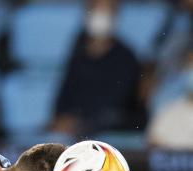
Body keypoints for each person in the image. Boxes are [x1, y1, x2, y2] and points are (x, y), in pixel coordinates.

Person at [51, 0, 144, 137]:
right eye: (96, 8)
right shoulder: (77, 53)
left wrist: (79, 123)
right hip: (75, 133)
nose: (101, 15)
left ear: (116, 14)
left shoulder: (126, 58)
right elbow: (62, 101)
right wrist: (62, 119)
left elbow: (119, 109)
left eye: (107, 9)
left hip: (111, 135)